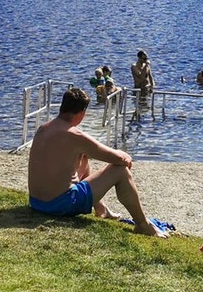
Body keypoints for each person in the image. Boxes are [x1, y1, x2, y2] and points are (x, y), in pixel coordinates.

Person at [27, 87, 167, 236]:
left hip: (36, 202)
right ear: (81, 114)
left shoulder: (43, 128)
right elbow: (120, 159)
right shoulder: (74, 135)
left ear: (62, 107)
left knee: (83, 157)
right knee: (120, 170)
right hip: (59, 205)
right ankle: (142, 224)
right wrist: (126, 156)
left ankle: (101, 209)